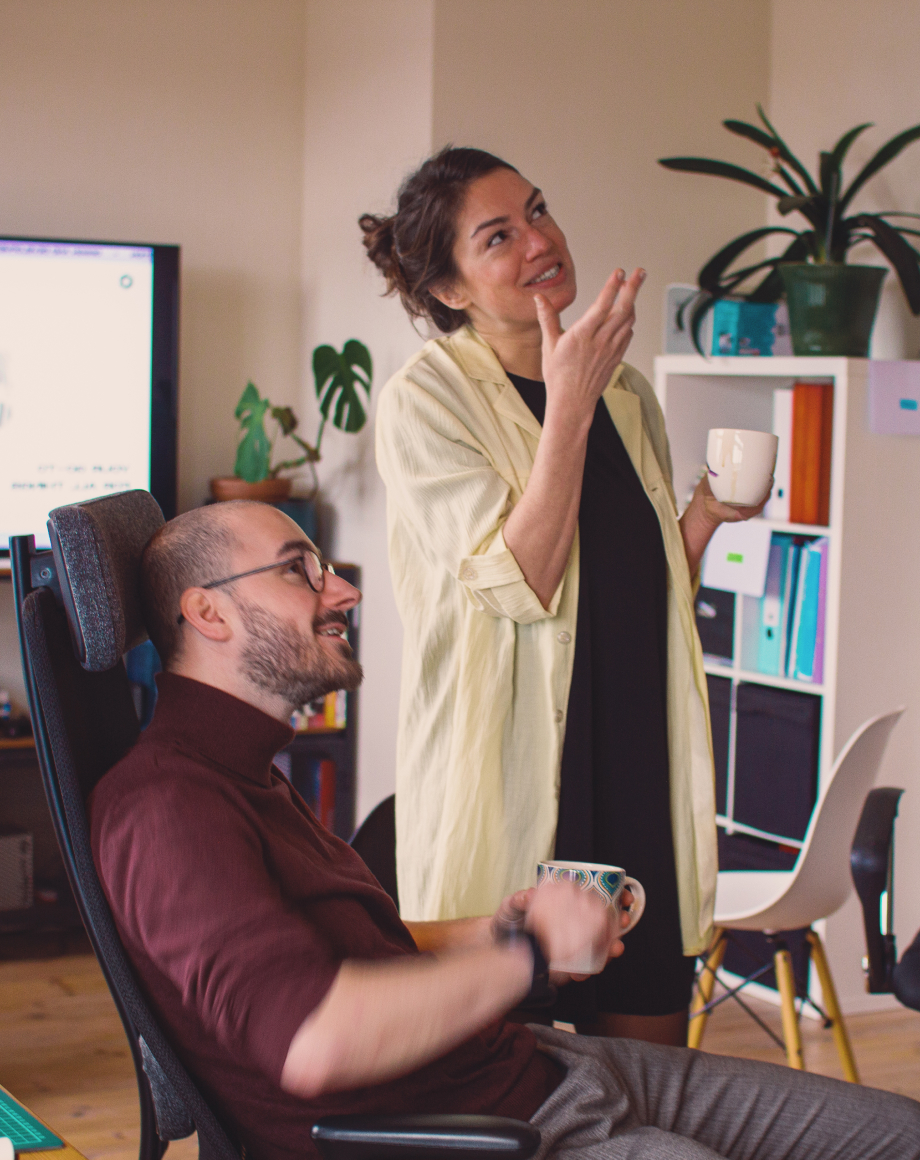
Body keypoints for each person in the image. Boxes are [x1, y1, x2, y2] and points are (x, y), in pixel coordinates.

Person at [89, 501, 920, 1160]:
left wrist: (493, 928)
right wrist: (527, 958)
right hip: (480, 1133)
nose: (341, 590)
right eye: (301, 571)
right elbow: (311, 1039)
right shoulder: (168, 808)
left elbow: (351, 952)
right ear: (209, 613)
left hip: (539, 1071)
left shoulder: (245, 770)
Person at [363, 147, 769, 1045]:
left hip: (635, 756)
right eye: (499, 235)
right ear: (452, 287)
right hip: (513, 768)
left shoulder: (627, 397)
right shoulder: (426, 402)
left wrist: (701, 515)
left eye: (539, 211)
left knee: (649, 1065)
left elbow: (642, 597)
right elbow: (523, 584)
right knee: (519, 1072)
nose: (541, 240)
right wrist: (568, 405)